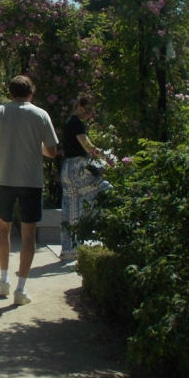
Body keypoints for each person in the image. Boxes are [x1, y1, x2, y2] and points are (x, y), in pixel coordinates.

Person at [0, 75, 59, 305]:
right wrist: (36, 146)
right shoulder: (41, 115)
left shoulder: (0, 112)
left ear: (10, 93)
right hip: (31, 180)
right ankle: (21, 288)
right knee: (29, 235)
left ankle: (3, 280)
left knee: (3, 229)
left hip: (4, 179)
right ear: (32, 92)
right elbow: (52, 151)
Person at [59, 94, 115, 261]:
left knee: (72, 210)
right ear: (79, 106)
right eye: (88, 110)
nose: (89, 114)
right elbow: (87, 145)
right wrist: (105, 156)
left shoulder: (70, 122)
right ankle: (110, 229)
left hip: (67, 169)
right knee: (105, 192)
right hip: (79, 169)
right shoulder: (77, 123)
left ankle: (70, 250)